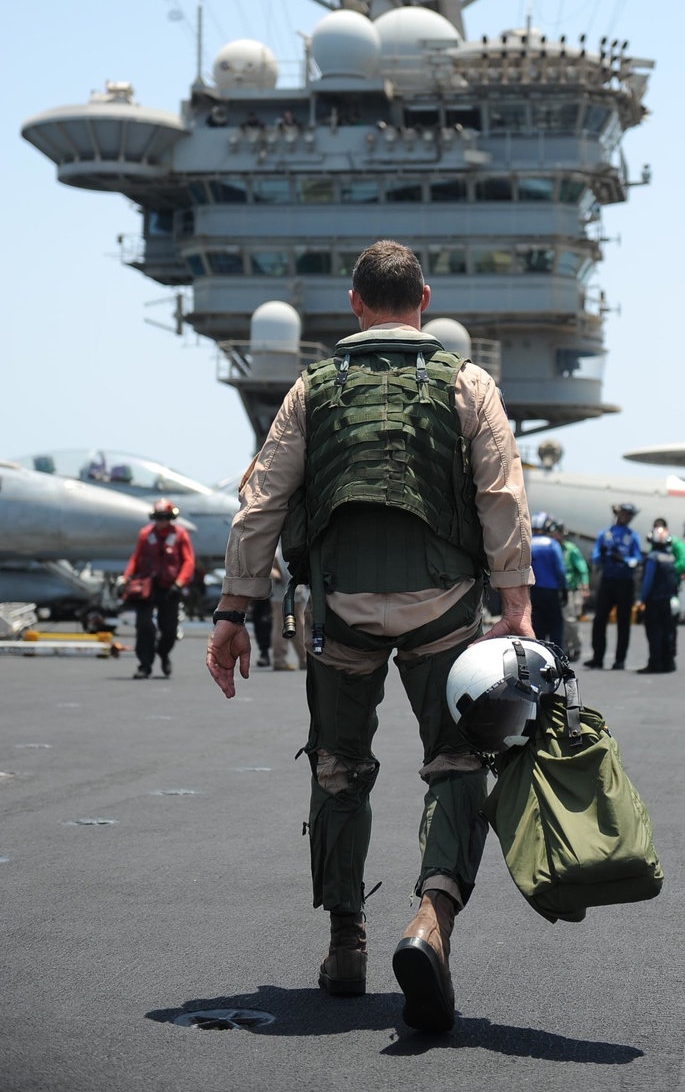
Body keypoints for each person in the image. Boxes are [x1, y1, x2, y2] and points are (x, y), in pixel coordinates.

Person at [205, 240, 534, 1034]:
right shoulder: (469, 381)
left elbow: (261, 504)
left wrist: (231, 614)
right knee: (459, 761)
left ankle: (345, 941)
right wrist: (516, 606)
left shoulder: (311, 389)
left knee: (339, 768)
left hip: (342, 607)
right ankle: (431, 919)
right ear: (423, 298)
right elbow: (501, 495)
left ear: (354, 304)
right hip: (443, 608)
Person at [123, 498, 195, 680]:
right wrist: (126, 577)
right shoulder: (145, 534)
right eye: (158, 517)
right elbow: (135, 558)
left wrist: (179, 582)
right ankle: (144, 665)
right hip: (146, 587)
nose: (162, 521)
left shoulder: (180, 535)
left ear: (171, 518)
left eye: (165, 517)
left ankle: (163, 653)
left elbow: (188, 561)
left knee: (169, 630)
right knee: (144, 626)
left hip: (170, 588)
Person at [586, 503, 643, 670]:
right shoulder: (605, 534)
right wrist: (603, 554)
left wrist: (624, 560)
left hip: (625, 582)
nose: (624, 516)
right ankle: (598, 657)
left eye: (628, 514)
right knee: (599, 619)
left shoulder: (633, 536)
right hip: (608, 580)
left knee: (623, 621)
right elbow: (596, 557)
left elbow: (637, 559)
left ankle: (620, 659)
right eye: (623, 513)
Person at [636, 519, 685, 673]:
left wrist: (641, 599)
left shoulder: (652, 558)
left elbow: (647, 582)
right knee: (668, 631)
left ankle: (655, 663)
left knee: (654, 632)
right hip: (668, 600)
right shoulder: (671, 559)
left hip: (654, 601)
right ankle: (669, 662)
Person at [529, 512, 566, 647]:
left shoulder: (527, 543)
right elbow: (560, 570)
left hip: (532, 591)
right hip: (550, 591)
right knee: (555, 626)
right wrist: (564, 588)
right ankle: (558, 658)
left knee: (537, 626)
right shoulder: (552, 544)